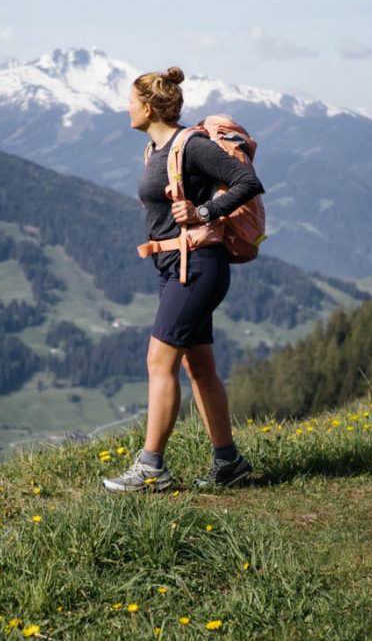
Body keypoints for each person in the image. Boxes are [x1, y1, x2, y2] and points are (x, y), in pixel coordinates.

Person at [102, 66, 264, 493]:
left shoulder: (189, 145)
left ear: (150, 106)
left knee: (160, 361)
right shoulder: (157, 151)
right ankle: (228, 462)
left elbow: (247, 181)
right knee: (199, 367)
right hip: (174, 267)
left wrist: (205, 213)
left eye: (131, 102)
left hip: (198, 268)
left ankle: (152, 468)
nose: (127, 109)